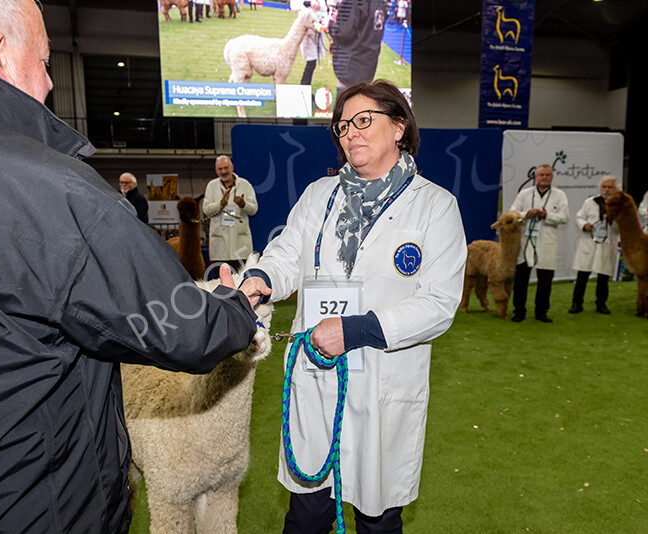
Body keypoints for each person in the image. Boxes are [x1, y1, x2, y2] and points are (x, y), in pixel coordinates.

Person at [0, 1, 269, 532]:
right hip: (22, 508)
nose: (49, 83)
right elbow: (184, 329)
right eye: (46, 62)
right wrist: (232, 304)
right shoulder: (47, 191)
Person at [240, 79, 467, 533]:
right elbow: (287, 253)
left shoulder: (435, 207)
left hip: (383, 378)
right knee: (306, 514)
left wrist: (357, 329)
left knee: (377, 516)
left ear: (399, 126)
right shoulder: (318, 195)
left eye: (364, 121)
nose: (351, 133)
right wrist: (261, 280)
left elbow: (440, 302)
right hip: (315, 375)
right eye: (343, 126)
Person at [509, 164, 570, 323]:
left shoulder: (559, 195)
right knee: (521, 280)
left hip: (547, 242)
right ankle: (519, 311)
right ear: (535, 177)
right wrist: (526, 214)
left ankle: (541, 312)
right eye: (541, 175)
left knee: (545, 281)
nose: (544, 178)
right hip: (526, 242)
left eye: (547, 175)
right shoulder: (525, 193)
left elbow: (565, 217)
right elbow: (512, 213)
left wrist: (546, 215)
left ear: (552, 177)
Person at [569, 176, 620, 314]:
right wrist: (584, 225)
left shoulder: (619, 205)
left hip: (607, 243)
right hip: (589, 241)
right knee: (582, 274)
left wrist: (612, 219)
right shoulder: (590, 201)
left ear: (616, 189)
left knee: (603, 276)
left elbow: (621, 226)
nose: (606, 190)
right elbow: (579, 217)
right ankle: (577, 303)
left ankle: (601, 304)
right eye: (604, 187)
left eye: (610, 187)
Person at [202, 154, 258, 273]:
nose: (223, 171)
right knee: (221, 283)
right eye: (220, 169)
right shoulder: (211, 186)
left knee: (242, 282)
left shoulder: (245, 185)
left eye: (226, 168)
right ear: (216, 170)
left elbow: (254, 209)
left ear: (232, 167)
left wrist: (243, 204)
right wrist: (220, 204)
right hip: (220, 248)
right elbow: (206, 210)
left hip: (240, 246)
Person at [328, 0, 387, 94]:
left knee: (348, 102)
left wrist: (330, 25)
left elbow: (343, 33)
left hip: (352, 64)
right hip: (368, 63)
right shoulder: (380, 3)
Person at [290, 0, 327, 86]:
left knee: (313, 62)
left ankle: (305, 87)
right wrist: (309, 3)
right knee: (311, 61)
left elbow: (323, 9)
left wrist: (323, 19)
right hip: (307, 30)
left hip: (317, 29)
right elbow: (294, 6)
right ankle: (304, 87)